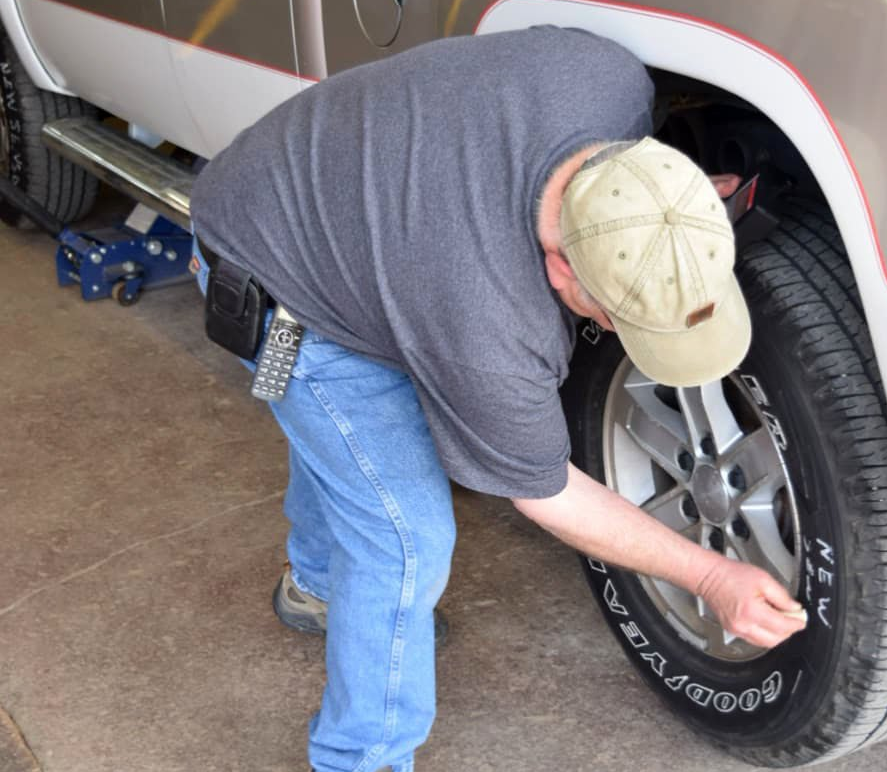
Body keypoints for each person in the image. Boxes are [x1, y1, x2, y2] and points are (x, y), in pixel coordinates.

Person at [190, 25, 805, 772]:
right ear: (557, 269)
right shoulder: (487, 323)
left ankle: (317, 587)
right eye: (612, 316)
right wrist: (710, 575)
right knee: (403, 540)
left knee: (351, 455)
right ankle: (360, 759)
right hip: (268, 266)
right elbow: (546, 492)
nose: (609, 331)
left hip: (333, 198)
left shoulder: (608, 80)